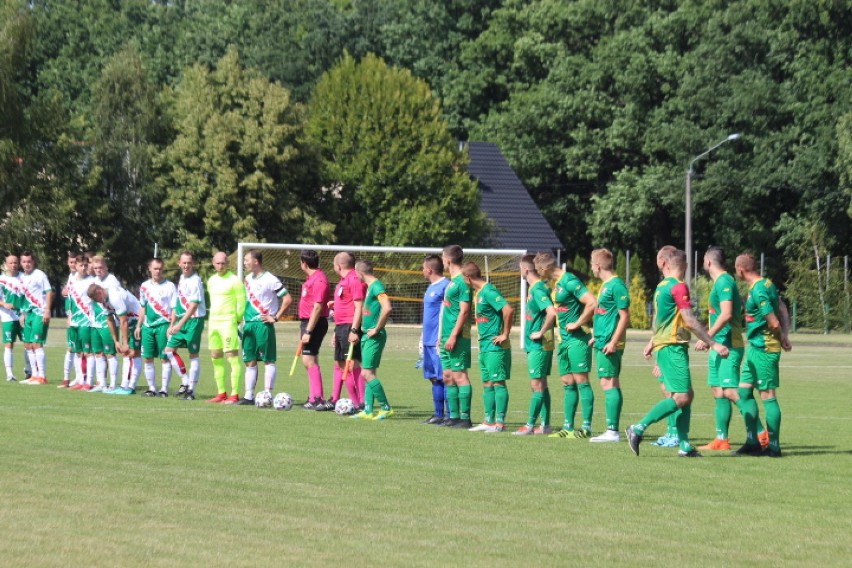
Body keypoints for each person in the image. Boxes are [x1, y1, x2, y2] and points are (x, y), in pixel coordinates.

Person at [626, 248, 730, 457]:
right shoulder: (678, 286)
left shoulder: (662, 286)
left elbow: (660, 321)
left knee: (686, 395)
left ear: (665, 264)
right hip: (672, 346)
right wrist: (713, 343)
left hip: (668, 345)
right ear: (686, 267)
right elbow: (689, 319)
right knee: (681, 396)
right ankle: (638, 428)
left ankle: (684, 445)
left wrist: (654, 341)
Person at [733, 252, 791, 457]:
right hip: (754, 348)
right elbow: (783, 308)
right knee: (744, 392)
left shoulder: (759, 290)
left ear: (741, 270)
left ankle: (774, 446)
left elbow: (774, 320)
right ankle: (752, 442)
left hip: (765, 349)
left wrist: (781, 334)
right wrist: (786, 333)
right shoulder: (767, 284)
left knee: (767, 395)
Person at [534, 252, 598, 439]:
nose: (538, 274)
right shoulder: (557, 285)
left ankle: (586, 428)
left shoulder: (569, 280)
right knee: (567, 382)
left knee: (581, 381)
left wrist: (578, 323)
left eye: (538, 270)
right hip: (563, 341)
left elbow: (592, 303)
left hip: (577, 340)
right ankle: (568, 427)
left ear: (544, 268)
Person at [694, 247, 746, 451]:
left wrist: (708, 337)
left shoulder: (724, 281)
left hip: (728, 345)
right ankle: (721, 439)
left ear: (708, 263)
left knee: (730, 391)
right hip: (718, 345)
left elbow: (725, 315)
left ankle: (760, 433)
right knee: (717, 390)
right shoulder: (719, 283)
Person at [461, 262, 513, 433]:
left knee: (498, 382)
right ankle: (488, 421)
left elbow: (508, 310)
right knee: (487, 383)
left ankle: (499, 423)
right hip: (484, 346)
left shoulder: (489, 291)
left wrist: (505, 334)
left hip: (495, 346)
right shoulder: (479, 293)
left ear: (468, 278)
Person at [238, 249, 291, 405]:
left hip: (263, 324)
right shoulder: (247, 279)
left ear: (256, 261)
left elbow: (287, 299)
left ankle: (267, 394)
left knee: (268, 359)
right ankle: (248, 396)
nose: (245, 262)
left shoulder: (271, 279)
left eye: (247, 260)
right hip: (248, 324)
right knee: (249, 360)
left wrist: (275, 317)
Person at [588, 248, 629, 442]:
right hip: (602, 341)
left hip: (610, 344)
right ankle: (611, 430)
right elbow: (606, 314)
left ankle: (612, 431)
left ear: (597, 266)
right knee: (606, 382)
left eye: (591, 265)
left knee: (610, 382)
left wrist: (613, 341)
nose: (591, 268)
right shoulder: (606, 285)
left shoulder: (616, 285)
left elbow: (624, 316)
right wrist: (597, 336)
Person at [512, 254, 554, 435]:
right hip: (537, 345)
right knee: (541, 385)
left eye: (520, 268)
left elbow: (551, 313)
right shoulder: (536, 289)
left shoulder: (538, 289)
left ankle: (529, 425)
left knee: (536, 385)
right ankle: (545, 425)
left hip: (539, 345)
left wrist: (541, 331)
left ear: (526, 269)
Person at [350, 259, 395, 420]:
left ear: (359, 273)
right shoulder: (370, 287)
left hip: (374, 336)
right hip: (366, 336)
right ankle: (368, 410)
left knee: (367, 373)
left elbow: (387, 307)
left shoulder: (377, 286)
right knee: (369, 373)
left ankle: (386, 407)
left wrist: (377, 328)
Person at [164, 251, 207, 400]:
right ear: (179, 263)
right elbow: (178, 303)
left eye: (189, 262)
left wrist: (179, 325)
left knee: (193, 354)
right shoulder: (182, 278)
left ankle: (191, 391)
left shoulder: (195, 281)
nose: (186, 265)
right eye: (184, 262)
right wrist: (172, 324)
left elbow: (194, 305)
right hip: (182, 320)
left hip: (194, 321)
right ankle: (185, 382)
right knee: (168, 351)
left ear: (193, 264)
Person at [439, 245, 473, 428]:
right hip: (446, 336)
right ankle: (453, 416)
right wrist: (442, 337)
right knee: (448, 376)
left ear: (448, 260)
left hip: (457, 337)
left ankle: (465, 418)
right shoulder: (452, 281)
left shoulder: (462, 281)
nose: (442, 262)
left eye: (443, 258)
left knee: (460, 375)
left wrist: (453, 335)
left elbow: (464, 311)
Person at [326, 252, 365, 411]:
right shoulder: (343, 281)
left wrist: (354, 330)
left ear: (338, 266)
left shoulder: (354, 279)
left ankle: (360, 403)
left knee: (351, 365)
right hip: (342, 326)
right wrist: (336, 331)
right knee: (340, 364)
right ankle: (335, 399)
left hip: (350, 326)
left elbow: (359, 306)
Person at [87, 282, 142, 395]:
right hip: (129, 323)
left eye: (96, 299)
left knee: (132, 353)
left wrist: (125, 342)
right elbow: (110, 320)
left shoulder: (114, 296)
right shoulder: (104, 300)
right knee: (127, 354)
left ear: (99, 291)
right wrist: (116, 341)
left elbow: (123, 320)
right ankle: (125, 386)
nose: (98, 302)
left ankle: (129, 387)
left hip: (137, 321)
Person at [205, 252, 246, 403]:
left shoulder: (235, 281)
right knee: (215, 357)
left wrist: (237, 319)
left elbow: (242, 303)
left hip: (228, 322)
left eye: (223, 263)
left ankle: (234, 395)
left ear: (228, 264)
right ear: (213, 263)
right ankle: (221, 393)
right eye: (217, 263)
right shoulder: (211, 280)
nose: (220, 266)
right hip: (213, 323)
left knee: (232, 358)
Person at [136, 258, 177, 397]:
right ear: (150, 269)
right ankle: (152, 388)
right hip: (147, 326)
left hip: (163, 325)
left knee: (164, 357)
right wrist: (138, 326)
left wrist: (171, 327)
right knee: (147, 357)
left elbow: (174, 308)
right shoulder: (144, 286)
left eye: (160, 268)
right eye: (155, 268)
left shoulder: (170, 286)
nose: (157, 271)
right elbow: (142, 307)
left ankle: (164, 389)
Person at [297, 250, 331, 408]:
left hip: (314, 323)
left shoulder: (319, 280)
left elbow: (317, 307)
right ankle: (314, 397)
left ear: (303, 263)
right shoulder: (312, 278)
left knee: (308, 359)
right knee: (310, 360)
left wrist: (308, 331)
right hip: (308, 322)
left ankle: (317, 398)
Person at [420, 254, 450, 424]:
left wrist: (442, 336)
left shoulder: (446, 286)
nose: (422, 271)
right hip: (427, 340)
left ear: (429, 269)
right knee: (433, 377)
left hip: (438, 341)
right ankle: (438, 414)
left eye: (423, 268)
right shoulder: (431, 287)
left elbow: (447, 314)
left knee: (443, 377)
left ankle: (449, 414)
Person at [18, 251, 53, 385]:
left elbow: (49, 292)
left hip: (39, 312)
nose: (27, 264)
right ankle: (34, 375)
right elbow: (23, 298)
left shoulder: (40, 275)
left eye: (29, 261)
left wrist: (47, 310)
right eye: (24, 261)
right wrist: (22, 314)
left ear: (34, 262)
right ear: (21, 263)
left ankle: (42, 376)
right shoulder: (22, 278)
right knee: (28, 344)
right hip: (28, 314)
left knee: (37, 343)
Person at [89, 255, 122, 392]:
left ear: (106, 267)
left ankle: (113, 383)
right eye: (95, 268)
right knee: (98, 353)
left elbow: (115, 302)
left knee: (110, 353)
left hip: (108, 322)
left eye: (100, 267)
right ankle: (101, 383)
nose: (98, 270)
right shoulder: (94, 281)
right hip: (96, 322)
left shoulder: (112, 281)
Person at [66, 254, 96, 390]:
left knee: (88, 352)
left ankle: (89, 382)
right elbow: (70, 300)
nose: (83, 268)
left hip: (87, 320)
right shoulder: (72, 281)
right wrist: (69, 317)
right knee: (78, 352)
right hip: (74, 322)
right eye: (81, 265)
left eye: (85, 265)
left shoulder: (92, 281)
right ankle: (80, 380)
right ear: (75, 266)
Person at [1, 254, 25, 382]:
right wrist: (4, 304)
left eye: (15, 262)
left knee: (29, 344)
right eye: (10, 263)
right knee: (9, 345)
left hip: (23, 316)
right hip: (7, 317)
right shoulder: (1, 280)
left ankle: (29, 371)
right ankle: (10, 374)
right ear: (6, 265)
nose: (13, 265)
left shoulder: (24, 278)